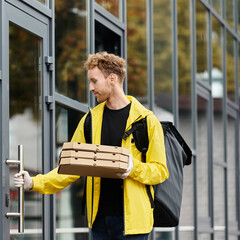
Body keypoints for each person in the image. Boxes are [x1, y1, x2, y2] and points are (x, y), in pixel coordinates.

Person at [14, 52, 169, 239]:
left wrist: (132, 168)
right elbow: (69, 168)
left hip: (133, 225)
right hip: (99, 223)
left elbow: (160, 171)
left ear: (112, 79)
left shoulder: (147, 121)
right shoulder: (90, 120)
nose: (90, 88)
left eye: (94, 81)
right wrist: (34, 182)